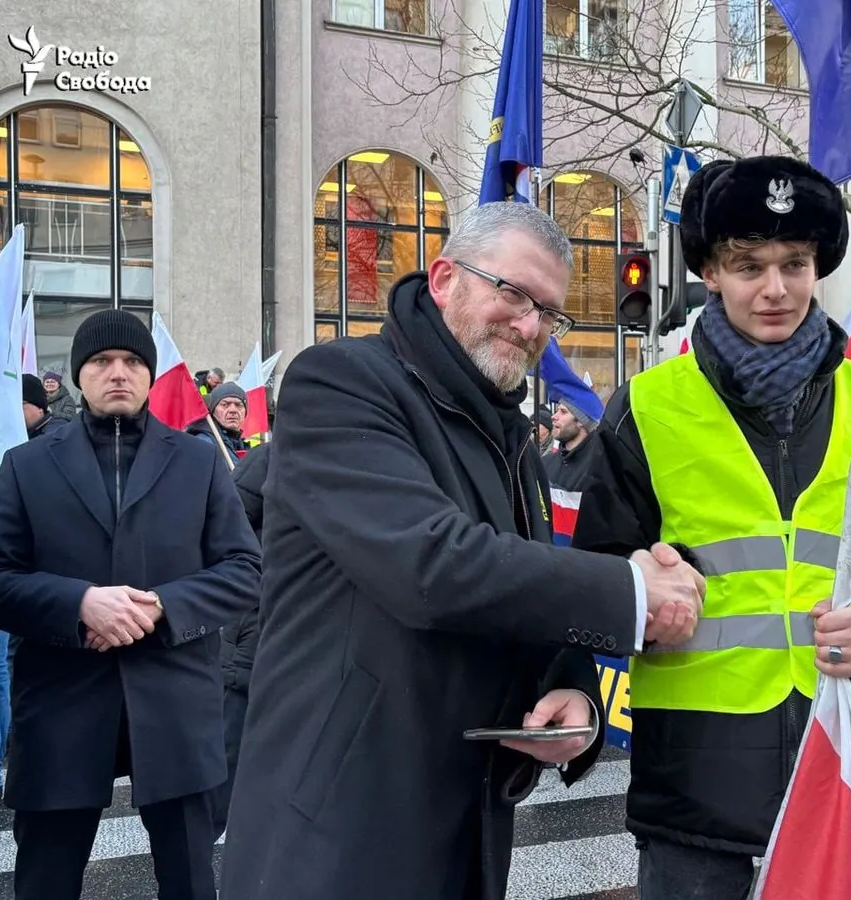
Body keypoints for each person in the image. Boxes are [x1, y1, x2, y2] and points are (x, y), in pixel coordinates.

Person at [221, 201, 705, 900]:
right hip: (336, 827)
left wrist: (569, 686)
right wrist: (629, 592)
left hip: (467, 817)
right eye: (512, 293)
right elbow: (431, 565)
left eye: (550, 312)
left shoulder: (511, 436)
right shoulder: (342, 382)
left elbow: (520, 590)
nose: (531, 324)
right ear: (446, 278)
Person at [572, 156, 851, 896]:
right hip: (697, 792)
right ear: (710, 270)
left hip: (844, 774)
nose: (775, 288)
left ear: (817, 266)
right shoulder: (645, 409)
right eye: (748, 264)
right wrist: (638, 592)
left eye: (795, 263)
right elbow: (593, 576)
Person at [0, 309, 261, 900]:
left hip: (175, 704)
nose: (118, 373)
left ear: (150, 375)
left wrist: (160, 606)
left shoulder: (198, 461)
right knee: (46, 880)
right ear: (79, 374)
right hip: (61, 702)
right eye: (102, 361)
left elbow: (244, 570)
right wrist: (79, 603)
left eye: (132, 362)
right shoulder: (27, 465)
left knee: (188, 881)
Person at [210, 439, 270, 839]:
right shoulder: (272, 459)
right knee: (223, 771)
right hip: (252, 638)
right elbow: (223, 528)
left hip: (315, 649)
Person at [187, 382, 248, 465]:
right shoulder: (204, 444)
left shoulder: (237, 443)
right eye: (225, 405)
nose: (233, 410)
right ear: (213, 410)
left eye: (238, 405)